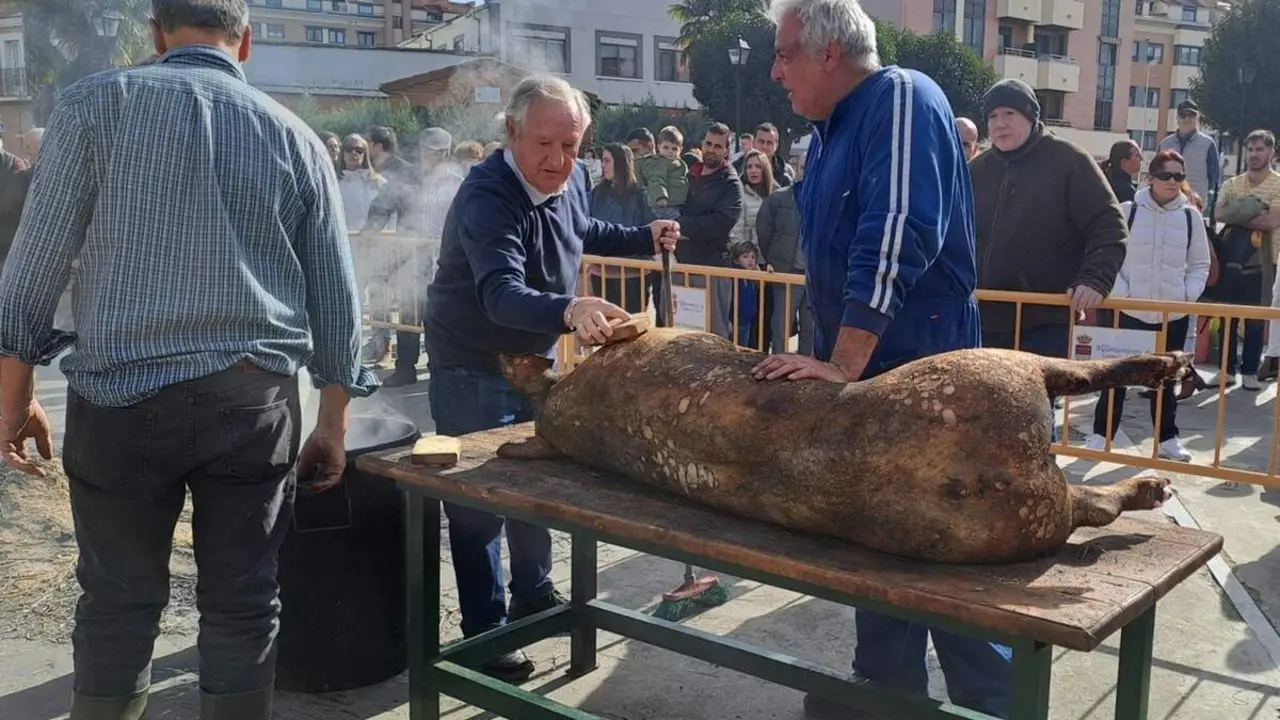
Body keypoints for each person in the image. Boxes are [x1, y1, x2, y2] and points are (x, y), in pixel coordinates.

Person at [0, 1, 377, 718]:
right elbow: (337, 298)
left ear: (156, 33)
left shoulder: (92, 107)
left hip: (119, 400)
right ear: (246, 42)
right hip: (253, 402)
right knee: (243, 601)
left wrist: (12, 400)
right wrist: (332, 423)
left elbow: (32, 269)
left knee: (116, 600)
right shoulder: (295, 135)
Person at [758, 1, 1012, 717]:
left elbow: (897, 233)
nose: (775, 72)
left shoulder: (900, 98)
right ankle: (884, 693)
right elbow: (827, 266)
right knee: (878, 541)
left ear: (828, 53)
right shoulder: (828, 133)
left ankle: (996, 704)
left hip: (927, 379)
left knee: (943, 549)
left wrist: (842, 363)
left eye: (784, 54)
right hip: (870, 378)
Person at [422, 74, 679, 683]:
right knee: (479, 503)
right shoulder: (488, 195)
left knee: (537, 482)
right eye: (544, 145)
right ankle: (484, 634)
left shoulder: (571, 178)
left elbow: (580, 227)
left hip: (533, 361)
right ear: (512, 132)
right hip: (472, 363)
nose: (559, 161)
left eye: (570, 146)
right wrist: (571, 308)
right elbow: (500, 293)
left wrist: (642, 237)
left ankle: (533, 597)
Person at [1086, 150, 1210, 461]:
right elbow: (1109, 255)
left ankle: (1167, 439)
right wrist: (1124, 294)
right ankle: (1101, 435)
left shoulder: (1190, 217)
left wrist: (1186, 296)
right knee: (1115, 376)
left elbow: (1200, 263)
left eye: (1178, 176)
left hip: (1172, 313)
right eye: (1166, 175)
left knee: (1167, 378)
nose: (1172, 181)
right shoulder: (1128, 211)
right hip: (1128, 311)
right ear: (1151, 177)